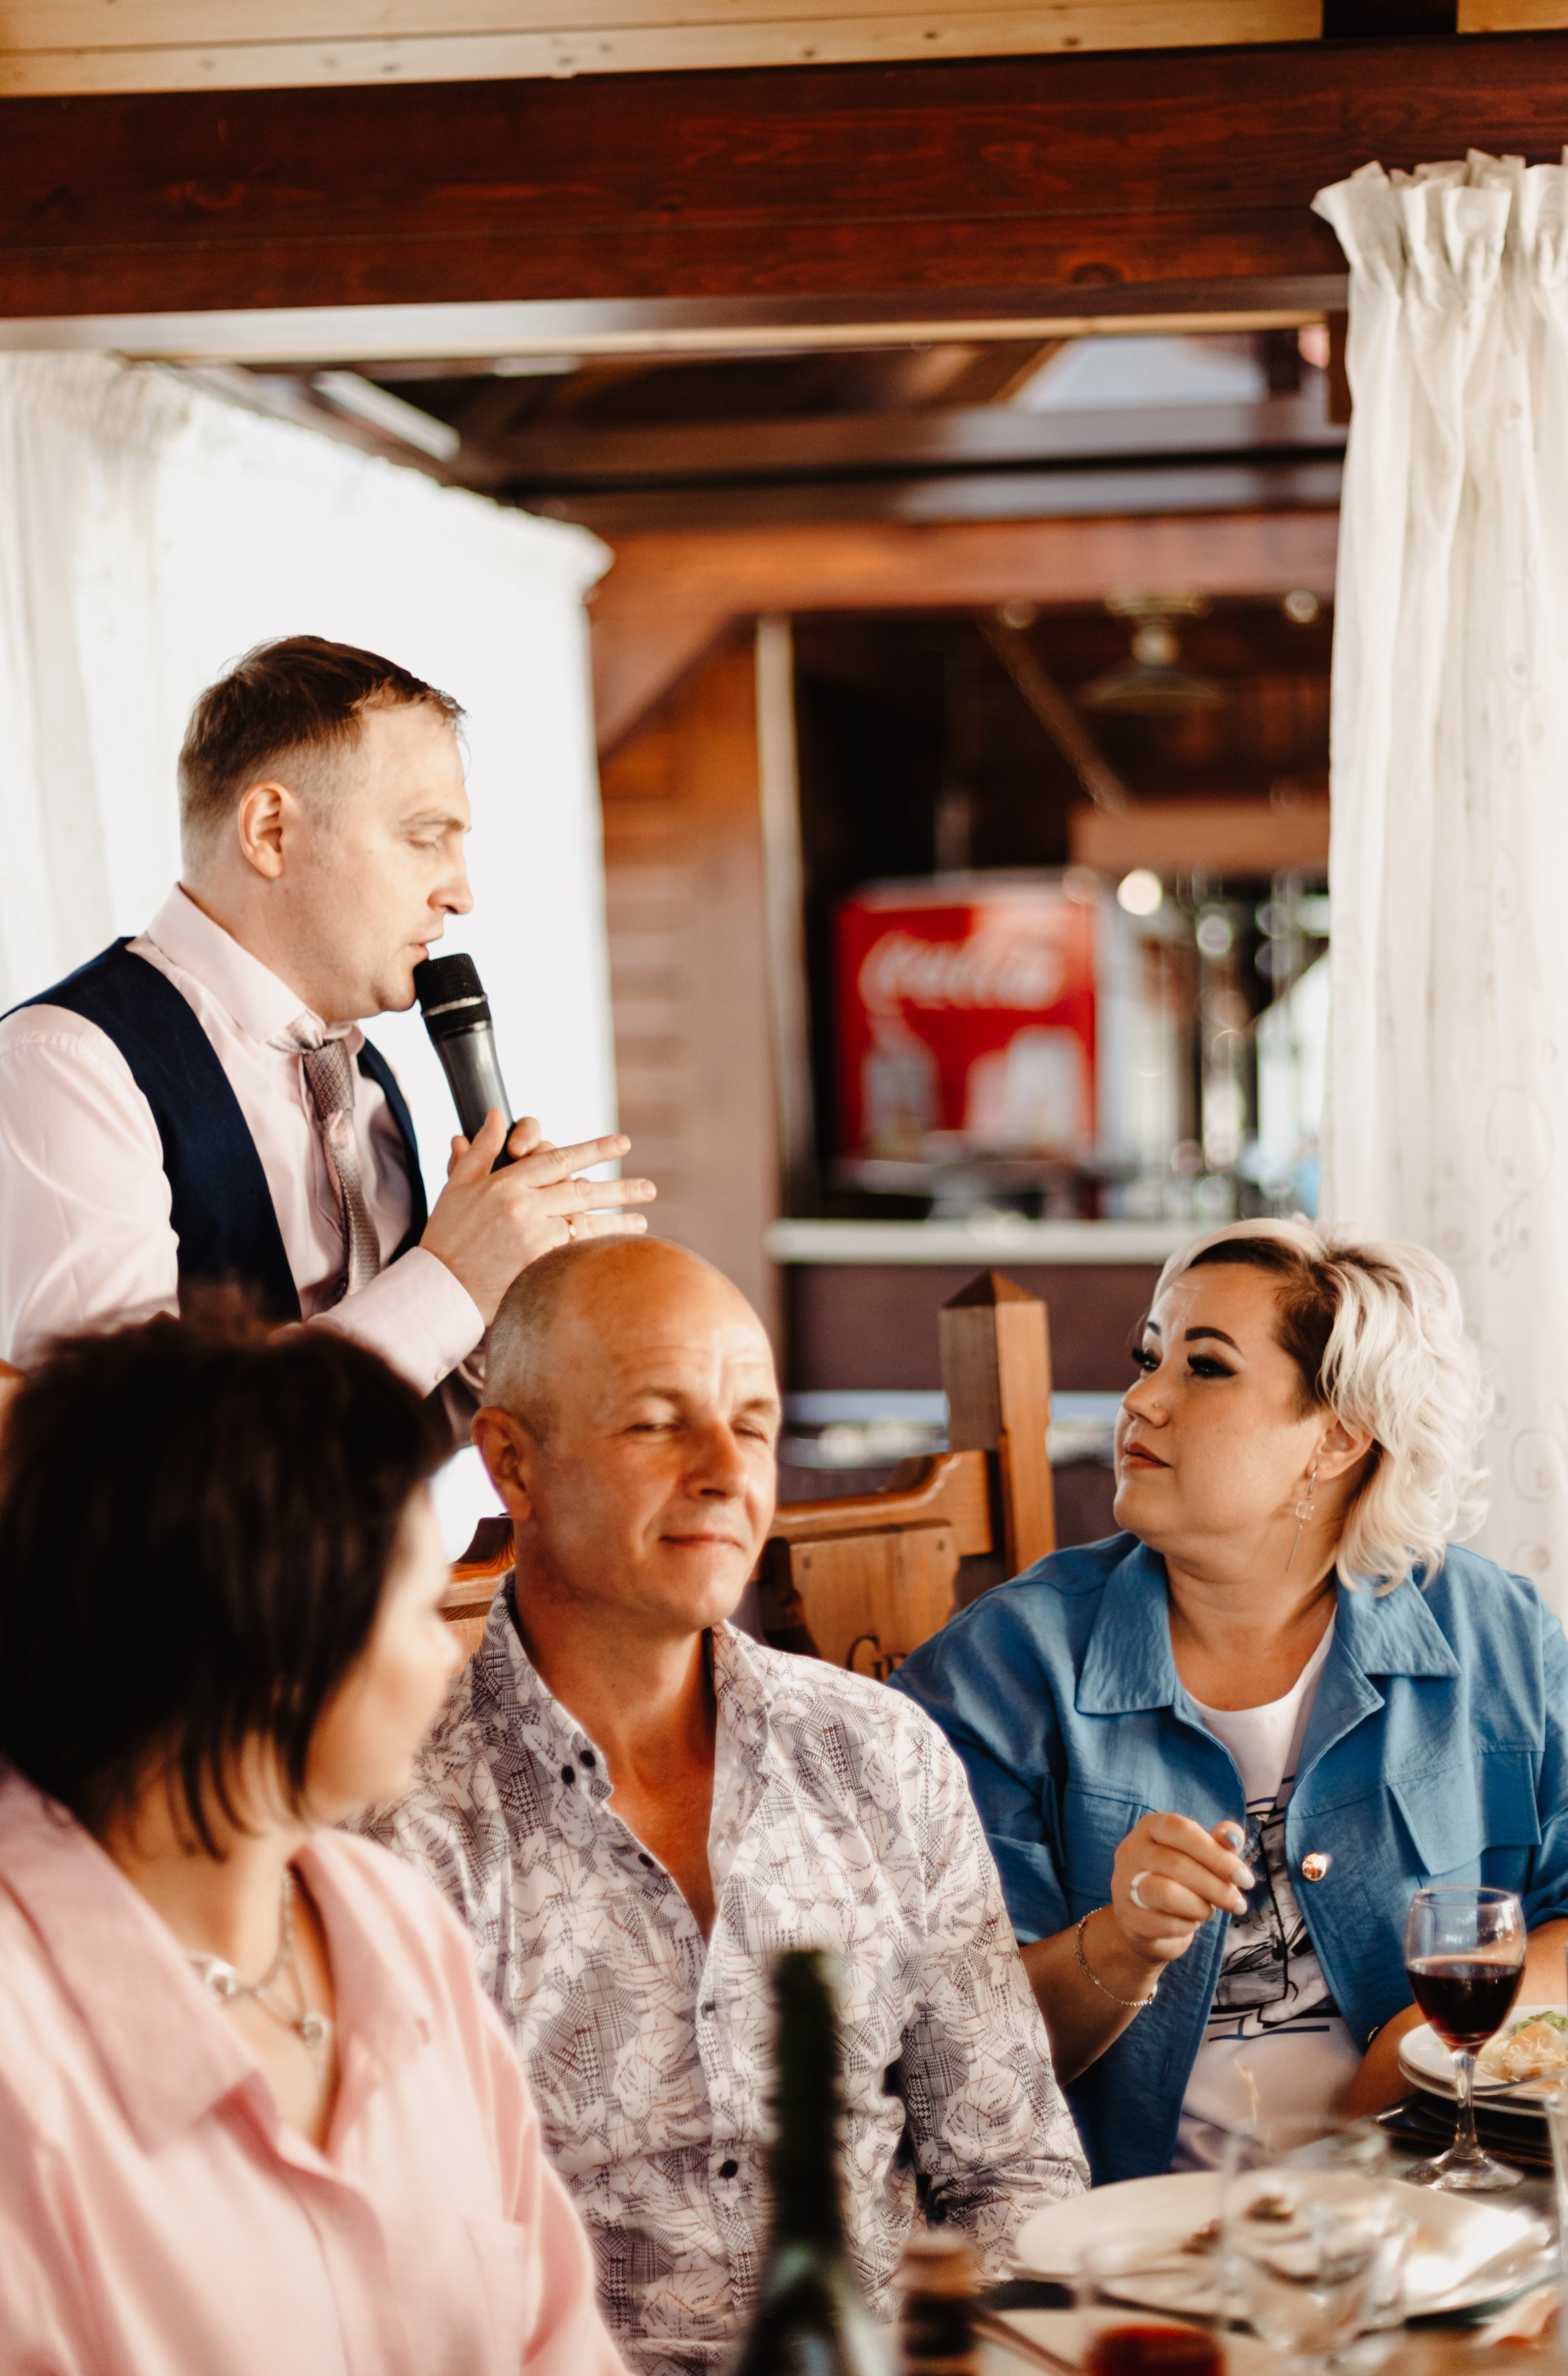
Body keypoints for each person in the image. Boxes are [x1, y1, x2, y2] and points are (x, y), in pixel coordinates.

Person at [368, 1235, 1085, 2376]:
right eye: (657, 1422)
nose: (724, 1471)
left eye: (752, 1424)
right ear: (512, 1463)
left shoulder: (882, 1751)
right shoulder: (399, 1829)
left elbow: (1013, 2171)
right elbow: (404, 2291)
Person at [892, 1217, 1568, 2182]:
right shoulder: (1001, 1668)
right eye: (1149, 1358)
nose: (1142, 1399)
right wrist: (1122, 1944)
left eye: (1206, 1367)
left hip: (1435, 2211)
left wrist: (1409, 2056)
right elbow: (938, 2062)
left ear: (1339, 1437)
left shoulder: (1492, 1633)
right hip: (1136, 2245)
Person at [0, 1304, 622, 2375]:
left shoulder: (387, 1918)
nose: (445, 1657)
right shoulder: (22, 2049)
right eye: (421, 1607)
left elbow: (554, 2342)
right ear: (271, 1634)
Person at [0, 637, 651, 1506]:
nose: (461, 893)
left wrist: (497, 1309)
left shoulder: (369, 1077)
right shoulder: (67, 1064)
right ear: (272, 831)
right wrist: (448, 1277)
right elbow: (128, 1460)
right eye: (426, 838)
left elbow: (380, 1441)